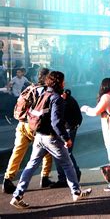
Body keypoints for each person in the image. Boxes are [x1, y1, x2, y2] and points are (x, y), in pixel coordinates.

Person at [10, 71, 91, 209]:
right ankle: (76, 192)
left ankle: (17, 195)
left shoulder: (44, 94)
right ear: (59, 82)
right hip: (51, 138)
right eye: (63, 81)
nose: (64, 83)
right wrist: (66, 138)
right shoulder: (56, 98)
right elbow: (56, 122)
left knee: (31, 165)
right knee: (67, 164)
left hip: (39, 136)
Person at [2, 68, 53, 194]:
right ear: (47, 78)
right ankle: (45, 177)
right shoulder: (46, 91)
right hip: (34, 125)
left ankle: (8, 179)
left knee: (17, 152)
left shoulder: (29, 88)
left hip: (21, 124)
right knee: (47, 150)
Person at [50, 89, 83, 188]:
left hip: (68, 128)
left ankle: (64, 178)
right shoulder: (70, 99)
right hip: (71, 127)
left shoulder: (63, 101)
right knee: (66, 152)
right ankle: (74, 174)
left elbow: (57, 119)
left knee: (62, 153)